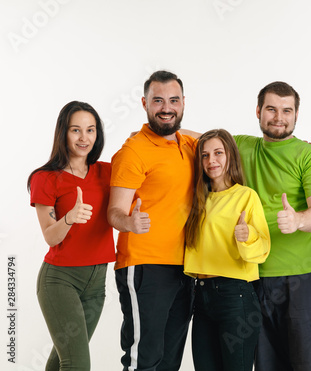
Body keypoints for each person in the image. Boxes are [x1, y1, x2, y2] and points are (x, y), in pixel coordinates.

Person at [235, 82, 311, 371]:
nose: (278, 117)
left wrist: (299, 220)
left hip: (305, 278)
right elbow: (204, 142)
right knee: (268, 364)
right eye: (271, 109)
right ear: (258, 111)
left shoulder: (310, 156)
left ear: (296, 115)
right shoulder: (242, 146)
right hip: (257, 279)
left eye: (286, 110)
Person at [107, 70, 195, 371]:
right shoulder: (133, 152)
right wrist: (129, 222)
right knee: (143, 360)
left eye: (173, 100)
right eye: (158, 101)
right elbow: (114, 211)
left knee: (169, 362)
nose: (166, 107)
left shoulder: (188, 145)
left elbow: (216, 138)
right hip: (145, 266)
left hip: (184, 268)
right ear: (145, 103)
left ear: (183, 103)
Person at [27, 101, 115, 371]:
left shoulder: (106, 171)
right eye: (76, 130)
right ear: (63, 133)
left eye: (90, 130)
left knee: (61, 362)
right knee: (77, 364)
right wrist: (69, 218)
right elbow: (50, 237)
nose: (84, 138)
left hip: (96, 282)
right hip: (60, 280)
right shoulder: (46, 178)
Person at [184, 128, 270, 371]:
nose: (212, 161)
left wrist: (247, 235)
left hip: (235, 297)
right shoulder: (197, 198)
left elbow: (263, 246)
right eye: (205, 155)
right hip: (200, 296)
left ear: (231, 155)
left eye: (218, 153)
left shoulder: (245, 196)